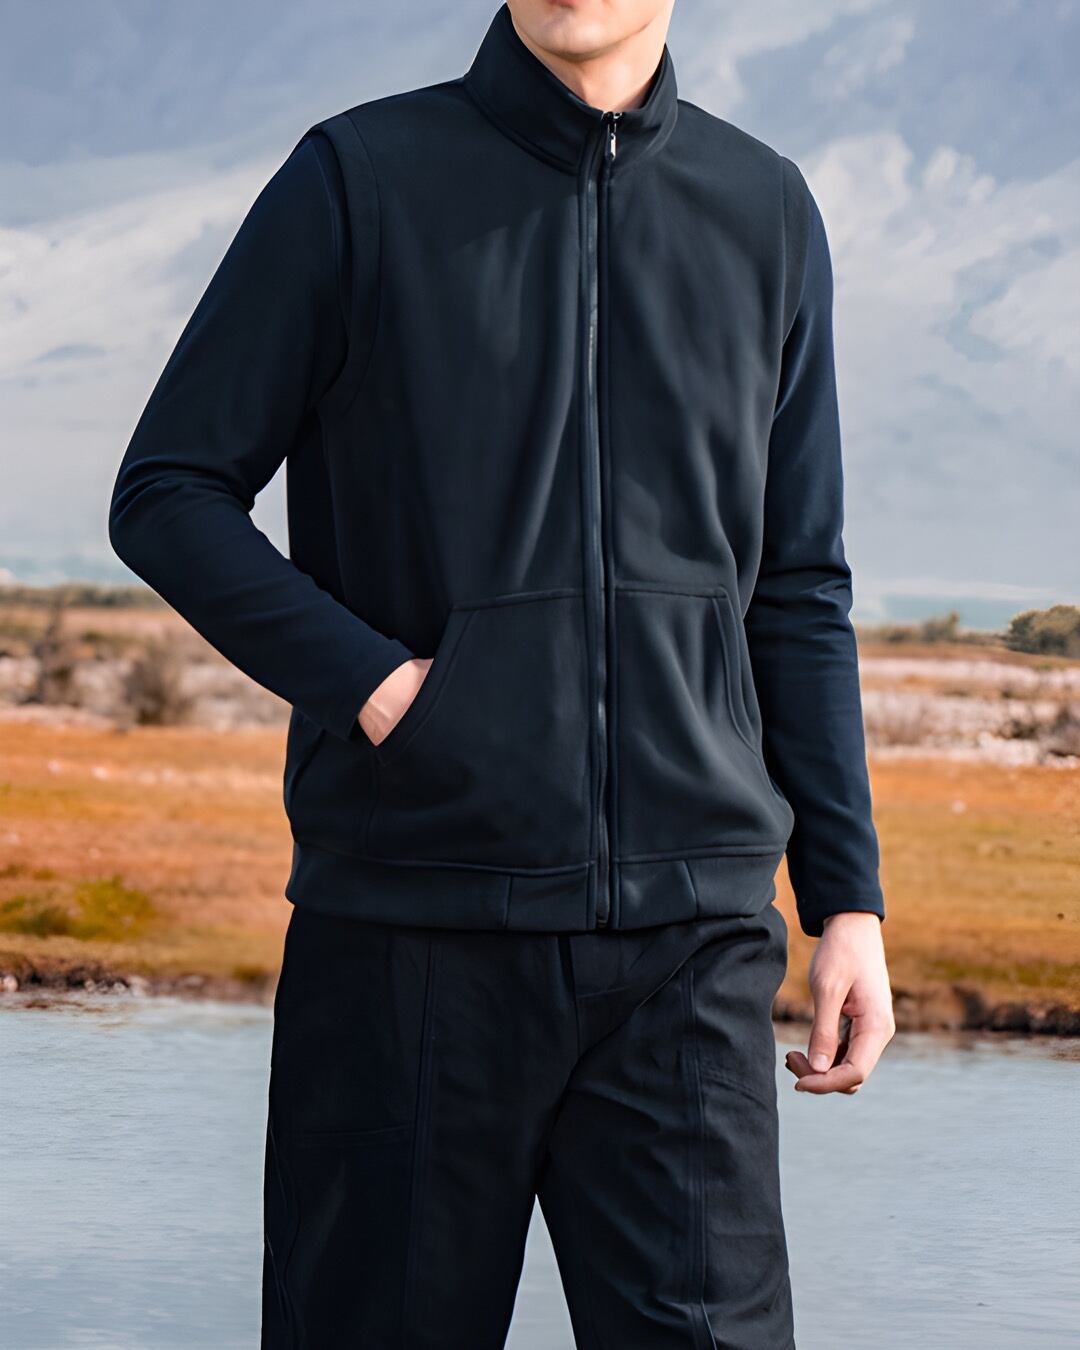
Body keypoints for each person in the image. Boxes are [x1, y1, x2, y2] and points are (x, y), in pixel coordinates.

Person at [108, 1, 897, 1344]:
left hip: (689, 956)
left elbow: (799, 582)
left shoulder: (766, 210)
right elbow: (169, 492)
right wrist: (380, 688)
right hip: (408, 936)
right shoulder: (358, 180)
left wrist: (848, 899)